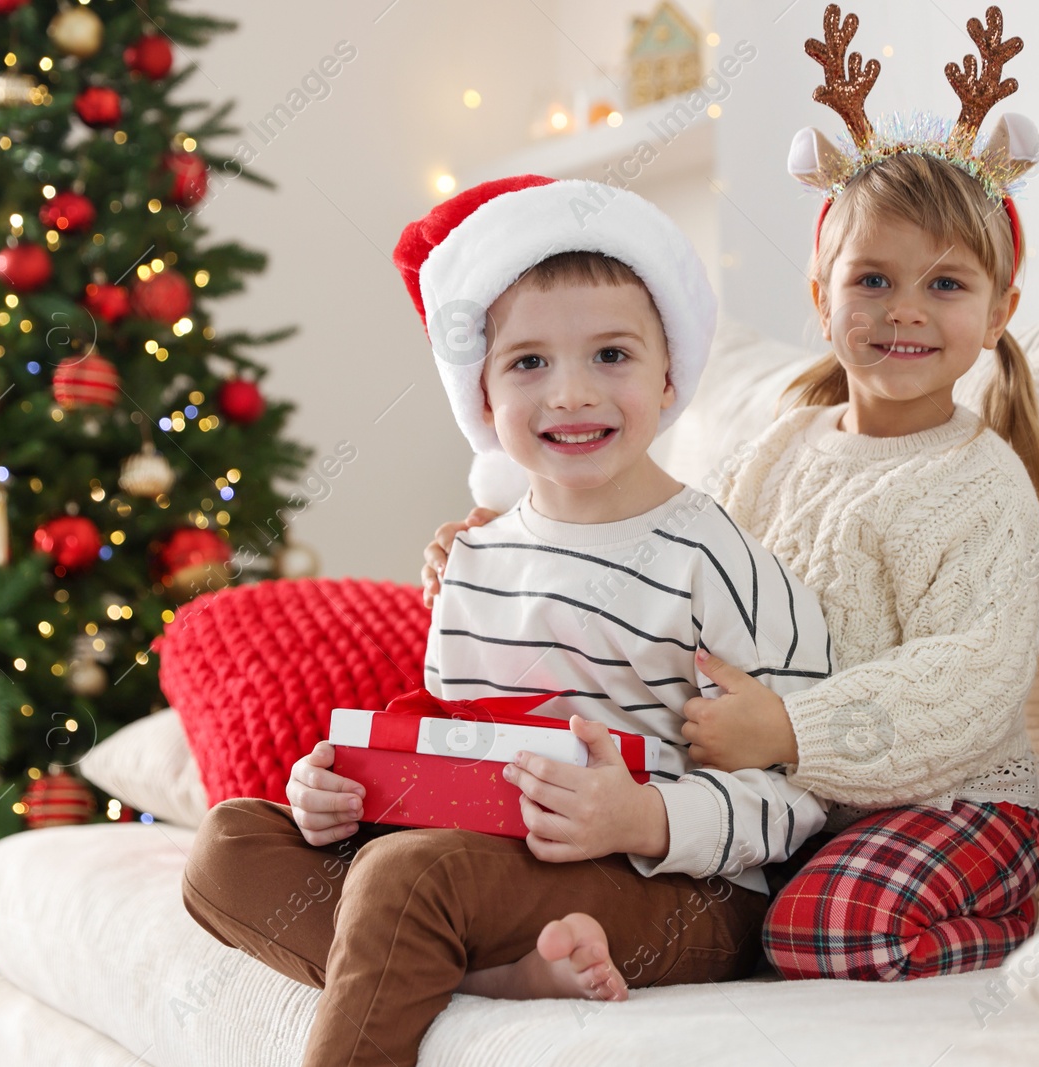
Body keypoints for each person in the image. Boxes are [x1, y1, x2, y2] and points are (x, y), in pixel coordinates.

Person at [423, 3, 1039, 984]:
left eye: (945, 285)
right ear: (821, 296)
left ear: (999, 308)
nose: (903, 311)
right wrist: (515, 542)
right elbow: (669, 545)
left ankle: (1020, 925)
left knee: (821, 929)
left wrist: (787, 728)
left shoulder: (981, 487)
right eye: (873, 279)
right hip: (798, 800)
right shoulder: (779, 444)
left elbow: (965, 683)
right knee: (698, 895)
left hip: (955, 801)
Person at [182, 174, 832, 1067]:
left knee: (409, 877)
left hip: (679, 890)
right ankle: (494, 972)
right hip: (488, 870)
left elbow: (802, 794)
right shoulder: (476, 563)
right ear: (482, 397)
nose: (570, 393)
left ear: (669, 370)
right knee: (228, 844)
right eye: (529, 362)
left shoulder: (719, 563)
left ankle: (436, 949)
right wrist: (348, 799)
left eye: (611, 355)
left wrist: (638, 817)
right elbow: (452, 755)